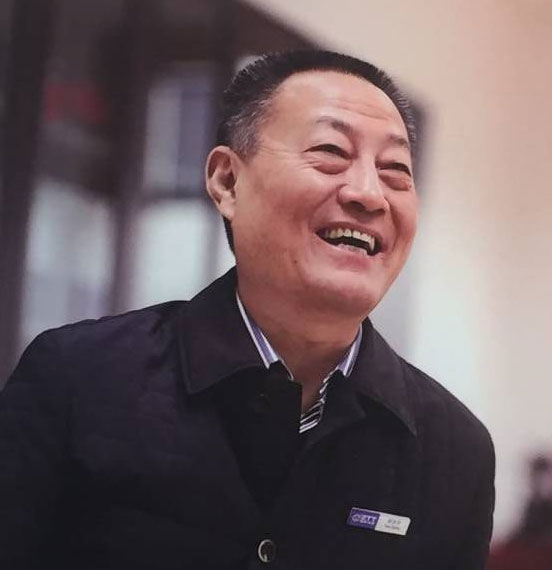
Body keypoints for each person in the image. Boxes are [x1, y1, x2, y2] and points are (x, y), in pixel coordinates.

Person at [0, 50, 495, 569]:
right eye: (330, 151)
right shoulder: (78, 379)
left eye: (395, 170)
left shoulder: (455, 449)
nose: (370, 194)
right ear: (227, 182)